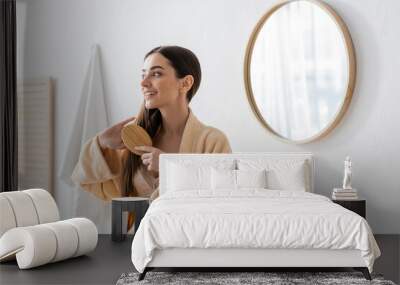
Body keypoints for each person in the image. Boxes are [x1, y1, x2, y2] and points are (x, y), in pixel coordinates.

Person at [71, 45, 231, 230]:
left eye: (156, 74)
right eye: (143, 75)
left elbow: (220, 204)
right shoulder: (135, 140)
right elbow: (90, 181)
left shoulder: (212, 142)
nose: (144, 83)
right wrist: (101, 143)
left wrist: (169, 169)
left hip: (188, 247)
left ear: (185, 83)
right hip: (135, 248)